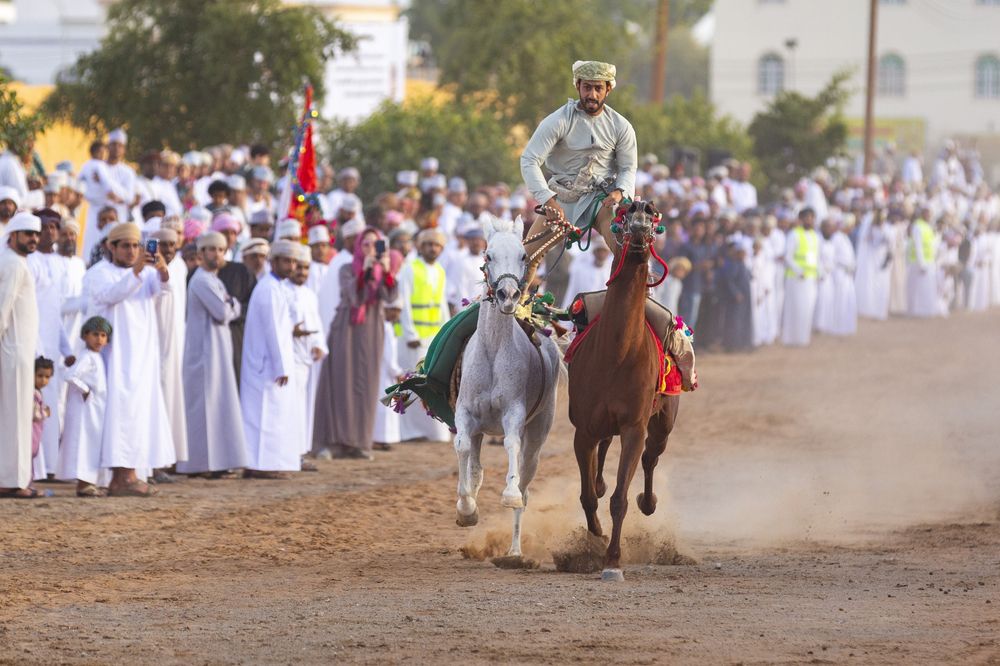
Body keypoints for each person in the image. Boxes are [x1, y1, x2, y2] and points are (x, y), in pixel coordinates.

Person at [519, 60, 637, 290]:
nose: (592, 94)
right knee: (524, 260)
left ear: (608, 89)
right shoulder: (559, 120)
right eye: (587, 87)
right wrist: (548, 200)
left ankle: (632, 311)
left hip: (601, 202)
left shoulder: (621, 126)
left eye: (598, 88)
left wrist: (619, 192)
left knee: (627, 253)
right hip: (562, 199)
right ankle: (515, 312)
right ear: (578, 86)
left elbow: (628, 168)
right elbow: (529, 160)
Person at [87, 222, 174, 496]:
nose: (132, 250)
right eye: (125, 245)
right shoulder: (98, 273)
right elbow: (111, 296)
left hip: (142, 354)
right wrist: (137, 270)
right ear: (109, 247)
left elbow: (164, 293)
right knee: (120, 412)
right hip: (116, 356)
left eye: (136, 245)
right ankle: (121, 477)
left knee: (139, 413)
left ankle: (132, 473)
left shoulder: (146, 272)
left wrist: (161, 271)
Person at [312, 229, 399, 460]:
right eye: (367, 244)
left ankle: (358, 442)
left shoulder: (382, 270)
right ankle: (331, 442)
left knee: (366, 384)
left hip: (371, 330)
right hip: (347, 328)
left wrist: (387, 271)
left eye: (376, 244)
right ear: (359, 246)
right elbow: (353, 295)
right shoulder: (346, 268)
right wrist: (367, 269)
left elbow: (389, 296)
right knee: (340, 382)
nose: (371, 248)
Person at [177, 232, 248, 476]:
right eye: (211, 250)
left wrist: (231, 305)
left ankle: (215, 463)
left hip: (217, 352)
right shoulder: (202, 281)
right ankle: (199, 464)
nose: (216, 254)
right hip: (204, 354)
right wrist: (233, 304)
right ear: (201, 254)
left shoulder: (213, 280)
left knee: (217, 407)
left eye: (220, 250)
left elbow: (229, 307)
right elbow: (223, 312)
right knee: (202, 410)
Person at [241, 239, 301, 478]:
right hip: (265, 364)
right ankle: (258, 466)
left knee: (272, 415)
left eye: (294, 261)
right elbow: (273, 332)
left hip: (269, 363)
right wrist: (281, 366)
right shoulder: (268, 288)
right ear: (273, 261)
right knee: (261, 416)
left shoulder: (277, 287)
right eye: (287, 261)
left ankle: (266, 464)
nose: (291, 266)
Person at [26, 209, 76, 477]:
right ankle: (33, 468)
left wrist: (66, 348)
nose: (51, 232)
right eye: (45, 227)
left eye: (55, 227)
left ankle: (51, 466)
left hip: (51, 349)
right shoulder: (28, 261)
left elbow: (54, 311)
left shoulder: (58, 263)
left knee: (51, 405)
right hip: (30, 344)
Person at [0, 212, 42, 498]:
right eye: (28, 234)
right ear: (12, 235)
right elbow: (2, 309)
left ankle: (16, 478)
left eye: (36, 235)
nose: (34, 239)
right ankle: (11, 481)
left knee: (16, 416)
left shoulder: (18, 262)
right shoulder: (13, 263)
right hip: (12, 351)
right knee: (13, 418)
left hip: (21, 351)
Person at [397, 228, 450, 443]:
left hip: (432, 337)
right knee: (411, 382)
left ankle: (433, 430)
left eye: (437, 245)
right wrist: (409, 333)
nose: (433, 248)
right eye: (429, 244)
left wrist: (445, 332)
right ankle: (408, 432)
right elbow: (404, 304)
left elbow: (442, 304)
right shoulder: (410, 269)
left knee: (430, 384)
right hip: (413, 338)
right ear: (421, 246)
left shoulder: (439, 270)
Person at [57, 316, 111, 497]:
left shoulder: (97, 356)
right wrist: (86, 390)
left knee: (92, 445)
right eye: (95, 334)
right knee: (84, 445)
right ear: (85, 336)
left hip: (95, 411)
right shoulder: (86, 357)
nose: (99, 339)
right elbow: (71, 375)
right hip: (85, 411)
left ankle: (90, 482)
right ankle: (83, 484)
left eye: (103, 335)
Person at [151, 228, 188, 471]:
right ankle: (155, 463)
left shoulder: (181, 268)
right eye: (162, 245)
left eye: (172, 245)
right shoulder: (148, 270)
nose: (167, 250)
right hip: (153, 344)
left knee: (172, 398)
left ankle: (168, 460)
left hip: (176, 343)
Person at [287, 245, 327, 466]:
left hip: (306, 361)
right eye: (298, 267)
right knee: (289, 407)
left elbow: (317, 324)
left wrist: (319, 344)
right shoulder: (282, 291)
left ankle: (300, 453)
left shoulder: (309, 294)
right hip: (287, 360)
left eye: (305, 268)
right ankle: (288, 454)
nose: (301, 272)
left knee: (302, 409)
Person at [782, 208, 820, 347]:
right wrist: (799, 271)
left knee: (807, 309)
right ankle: (792, 338)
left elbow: (816, 258)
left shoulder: (815, 236)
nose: (810, 220)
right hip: (796, 278)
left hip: (810, 278)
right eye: (807, 217)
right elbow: (788, 257)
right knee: (796, 308)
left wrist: (818, 273)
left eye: (812, 217)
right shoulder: (794, 235)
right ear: (801, 219)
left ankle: (803, 338)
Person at [561, 234, 614, 307]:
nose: (601, 254)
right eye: (599, 251)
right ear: (594, 252)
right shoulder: (581, 271)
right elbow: (572, 292)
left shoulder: (611, 273)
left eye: (604, 251)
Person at [907, 209, 939, 318]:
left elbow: (931, 244)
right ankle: (915, 311)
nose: (929, 216)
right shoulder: (917, 226)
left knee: (927, 287)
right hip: (918, 262)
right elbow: (918, 246)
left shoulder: (928, 227)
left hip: (929, 261)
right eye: (927, 214)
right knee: (917, 288)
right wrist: (922, 263)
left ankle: (925, 310)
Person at [32, 357, 54, 473]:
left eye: (47, 377)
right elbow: (35, 414)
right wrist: (45, 413)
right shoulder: (33, 393)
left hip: (36, 430)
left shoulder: (37, 392)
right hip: (32, 431)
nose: (43, 380)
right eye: (40, 376)